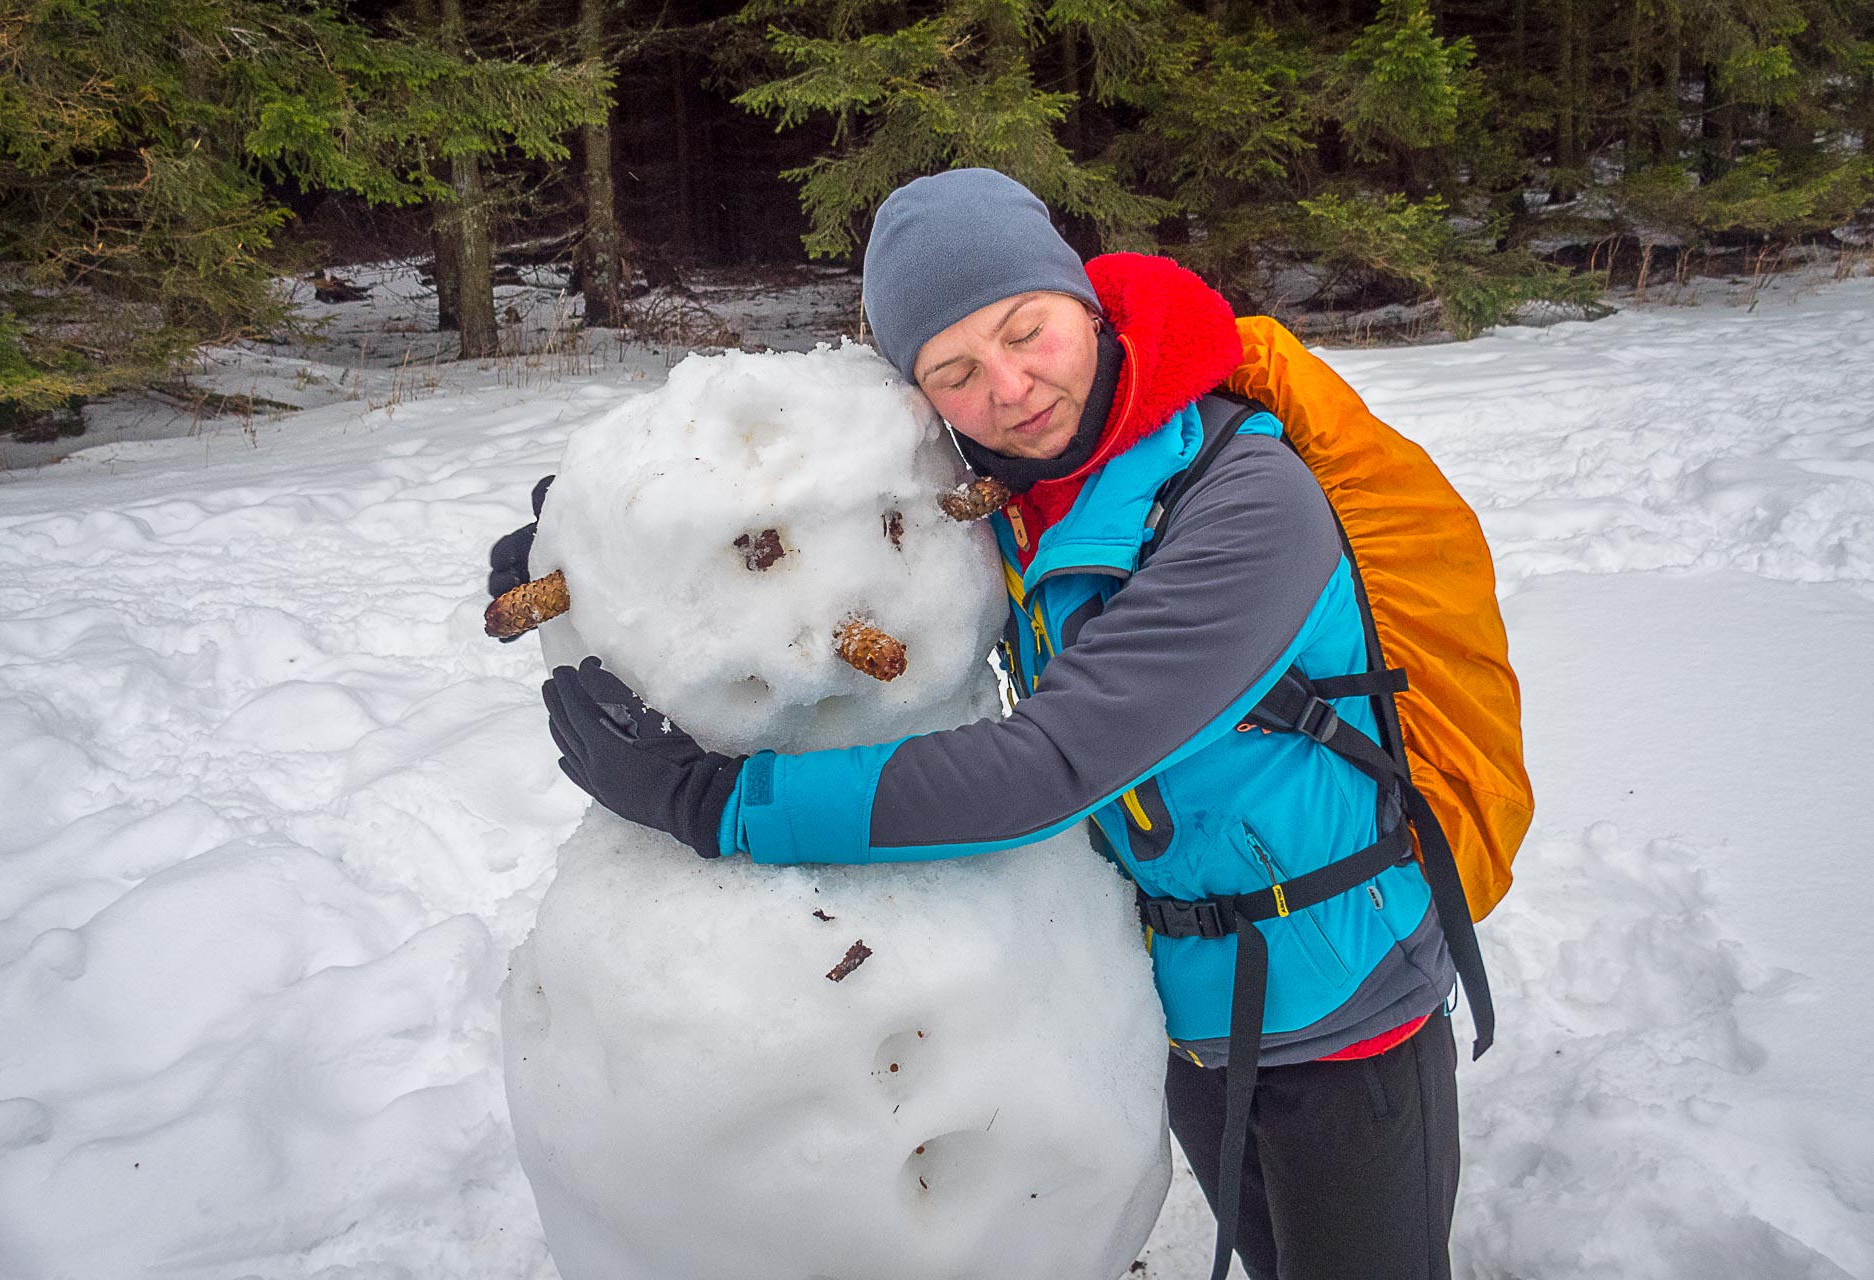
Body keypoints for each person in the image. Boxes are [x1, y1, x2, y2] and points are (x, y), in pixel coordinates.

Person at [497, 168, 1472, 1280]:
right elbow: (828, 528)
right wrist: (601, 554)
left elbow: (1045, 765)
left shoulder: (1247, 503)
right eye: (954, 370)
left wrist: (709, 801)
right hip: (1182, 997)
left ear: (1087, 306)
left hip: (1345, 1005)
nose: (1009, 387)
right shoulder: (1017, 492)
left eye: (1029, 331)